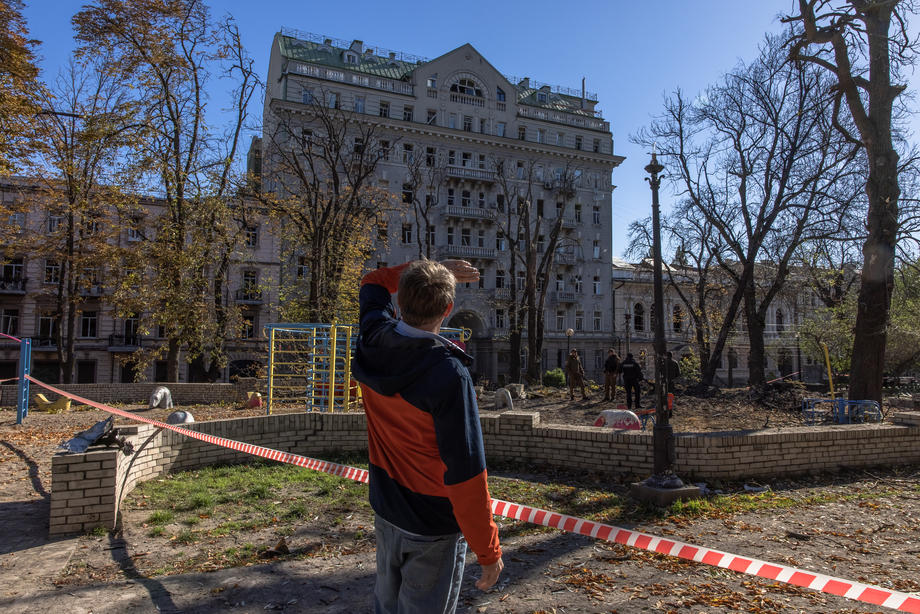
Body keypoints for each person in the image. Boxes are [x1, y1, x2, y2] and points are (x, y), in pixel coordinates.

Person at [353, 259, 503, 614]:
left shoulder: (373, 335)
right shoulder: (449, 374)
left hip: (387, 507)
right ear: (448, 309)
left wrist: (434, 263)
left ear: (400, 300)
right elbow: (466, 474)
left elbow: (373, 280)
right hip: (431, 525)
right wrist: (489, 551)